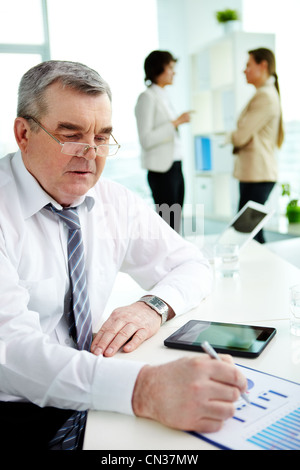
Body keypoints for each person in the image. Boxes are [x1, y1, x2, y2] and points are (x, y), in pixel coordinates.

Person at [0, 60, 247, 450]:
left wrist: (153, 306)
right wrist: (144, 390)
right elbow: (10, 354)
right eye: (71, 134)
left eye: (103, 137)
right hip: (19, 413)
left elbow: (192, 264)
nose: (91, 153)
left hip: (98, 389)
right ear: (23, 133)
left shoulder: (113, 200)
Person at [227, 48, 284, 243]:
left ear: (263, 65)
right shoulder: (264, 94)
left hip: (258, 175)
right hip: (255, 174)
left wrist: (232, 136)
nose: (244, 70)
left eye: (248, 65)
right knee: (250, 234)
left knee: (247, 234)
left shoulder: (265, 96)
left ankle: (263, 272)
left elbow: (240, 137)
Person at [135, 50, 192, 233]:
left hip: (175, 166)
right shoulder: (147, 97)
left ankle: (176, 259)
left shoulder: (164, 97)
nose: (174, 72)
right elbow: (146, 139)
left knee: (175, 223)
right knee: (168, 224)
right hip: (161, 170)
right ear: (158, 68)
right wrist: (175, 122)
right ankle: (167, 260)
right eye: (171, 68)